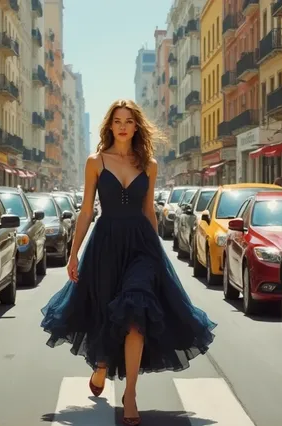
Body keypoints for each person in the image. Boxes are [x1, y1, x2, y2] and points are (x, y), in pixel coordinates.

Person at [40, 99, 217, 425]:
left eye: (129, 121)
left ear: (136, 127)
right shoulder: (95, 162)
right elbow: (87, 211)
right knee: (108, 312)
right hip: (105, 244)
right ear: (110, 126)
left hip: (141, 247)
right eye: (117, 120)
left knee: (137, 313)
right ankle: (103, 364)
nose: (123, 126)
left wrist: (157, 253)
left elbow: (149, 211)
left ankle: (130, 393)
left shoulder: (148, 164)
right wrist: (74, 251)